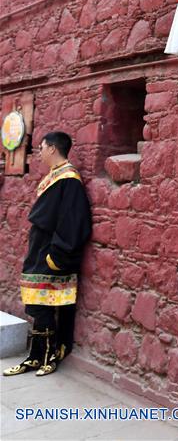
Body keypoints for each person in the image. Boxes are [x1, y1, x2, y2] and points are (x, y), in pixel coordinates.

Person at [3, 131, 92, 377]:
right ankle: (35, 356)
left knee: (44, 305)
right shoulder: (54, 177)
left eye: (41, 147)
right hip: (39, 250)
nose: (39, 152)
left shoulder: (69, 179)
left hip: (51, 254)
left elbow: (74, 221)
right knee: (35, 302)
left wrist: (57, 255)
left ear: (53, 148)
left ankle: (48, 355)